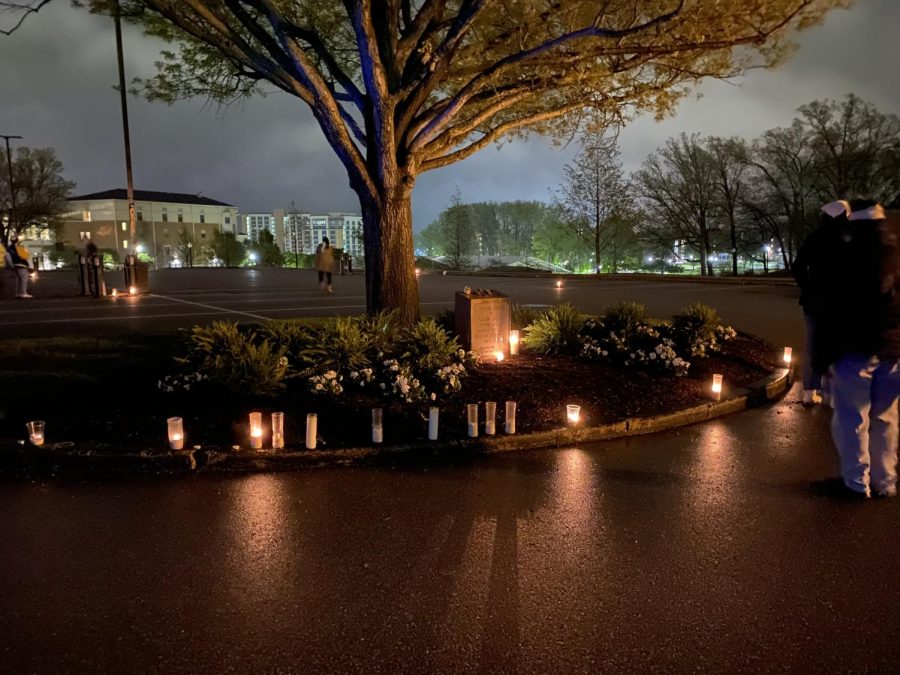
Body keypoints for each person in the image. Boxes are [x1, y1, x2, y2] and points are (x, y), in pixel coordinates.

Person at [812, 201, 900, 499]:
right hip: (894, 349)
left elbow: (833, 311)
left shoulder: (847, 255)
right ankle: (885, 481)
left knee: (852, 418)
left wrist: (822, 357)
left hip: (856, 349)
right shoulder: (895, 250)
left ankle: (856, 483)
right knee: (886, 417)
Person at [793, 200, 851, 405]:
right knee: (838, 347)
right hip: (840, 304)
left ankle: (809, 390)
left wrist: (807, 285)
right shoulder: (848, 240)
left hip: (814, 302)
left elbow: (797, 267)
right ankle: (831, 393)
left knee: (813, 347)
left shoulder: (813, 239)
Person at [4, 234, 34, 299]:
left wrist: (12, 266)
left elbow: (8, 259)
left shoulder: (8, 249)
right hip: (22, 265)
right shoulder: (20, 247)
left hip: (15, 266)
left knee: (17, 280)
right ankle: (23, 293)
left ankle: (17, 293)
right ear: (17, 240)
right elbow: (27, 257)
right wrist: (31, 267)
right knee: (24, 279)